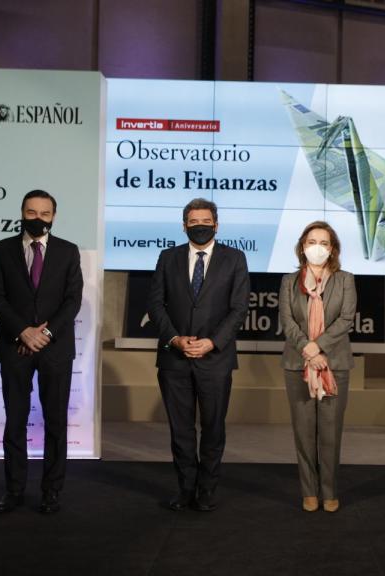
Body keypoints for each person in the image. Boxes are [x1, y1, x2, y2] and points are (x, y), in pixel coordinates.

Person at [0, 189, 83, 515]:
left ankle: (51, 492)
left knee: (55, 422)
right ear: (22, 212)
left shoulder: (69, 252)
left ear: (53, 216)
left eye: (44, 213)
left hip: (55, 349)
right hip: (15, 346)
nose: (37, 218)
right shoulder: (0, 250)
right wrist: (23, 332)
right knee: (15, 420)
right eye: (31, 211)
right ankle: (13, 491)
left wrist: (47, 332)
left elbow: (72, 300)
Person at [148, 197, 250, 512]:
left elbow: (239, 308)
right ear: (184, 225)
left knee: (213, 427)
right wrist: (176, 339)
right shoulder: (168, 257)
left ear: (216, 224)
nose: (200, 226)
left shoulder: (235, 259)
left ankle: (207, 490)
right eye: (194, 221)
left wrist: (211, 342)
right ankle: (185, 489)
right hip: (174, 359)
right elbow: (155, 304)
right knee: (180, 430)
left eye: (206, 221)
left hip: (215, 359)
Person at [278, 221, 357, 513]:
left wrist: (319, 346)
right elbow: (288, 322)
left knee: (330, 433)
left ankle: (330, 491)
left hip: (334, 364)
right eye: (312, 241)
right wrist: (308, 350)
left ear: (332, 249)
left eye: (324, 243)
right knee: (303, 432)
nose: (318, 248)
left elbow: (346, 319)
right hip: (297, 364)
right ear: (302, 246)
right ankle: (309, 491)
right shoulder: (289, 281)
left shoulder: (345, 279)